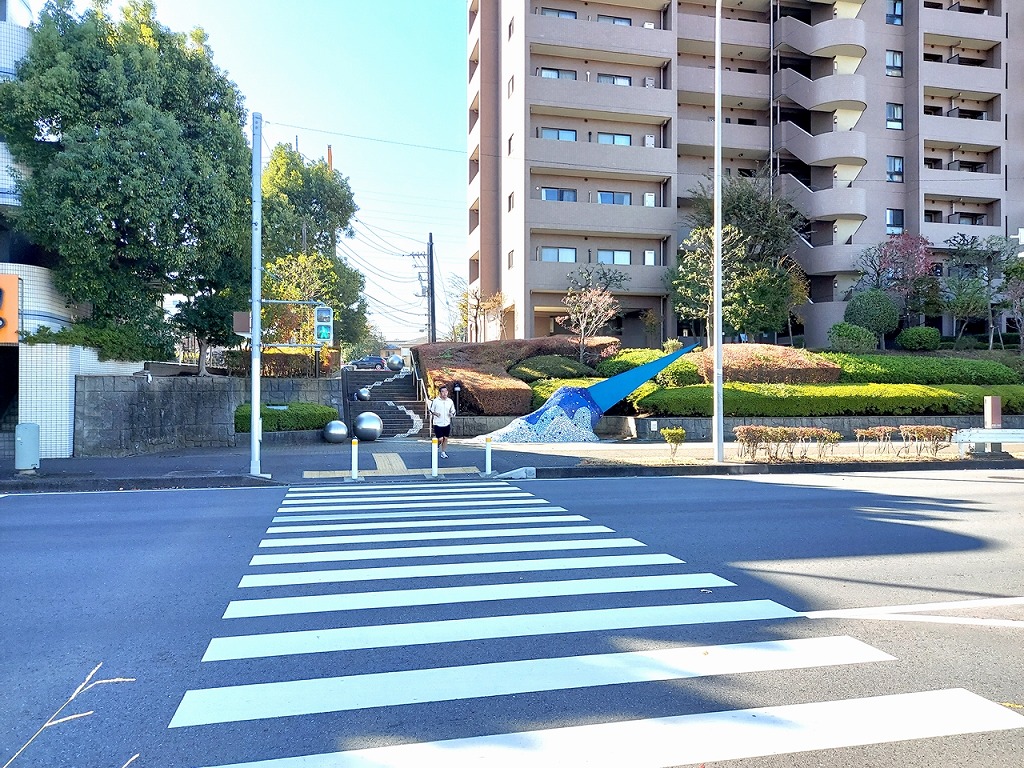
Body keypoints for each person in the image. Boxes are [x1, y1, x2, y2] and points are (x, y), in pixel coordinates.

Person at [428, 384, 457, 458]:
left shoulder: (450, 401)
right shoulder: (436, 401)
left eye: (446, 391)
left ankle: (443, 452)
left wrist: (451, 414)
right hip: (437, 423)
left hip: (446, 423)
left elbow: (453, 411)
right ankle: (437, 444)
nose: (445, 393)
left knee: (445, 438)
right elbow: (431, 410)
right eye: (443, 392)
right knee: (440, 439)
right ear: (440, 393)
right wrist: (436, 413)